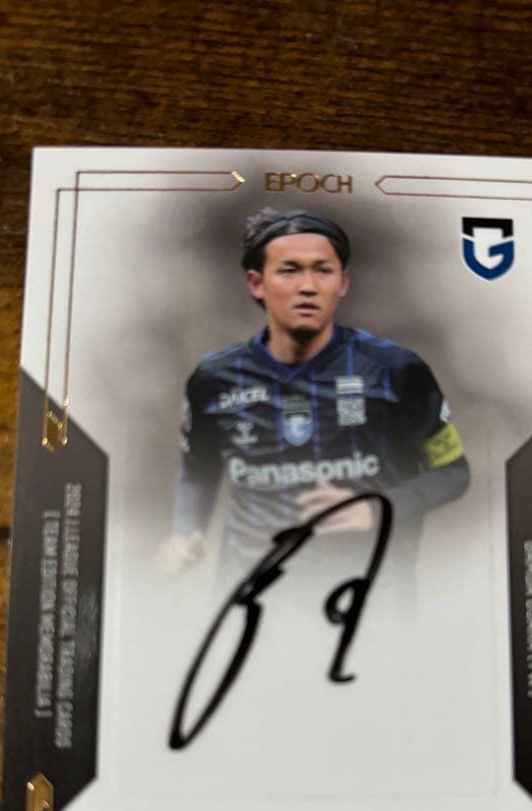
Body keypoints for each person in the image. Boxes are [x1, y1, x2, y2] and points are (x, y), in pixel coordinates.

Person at [161, 208, 469, 585]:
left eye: (323, 270)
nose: (307, 286)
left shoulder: (396, 370)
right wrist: (185, 532)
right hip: (250, 597)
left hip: (368, 597)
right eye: (289, 270)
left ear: (343, 282)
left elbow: (453, 473)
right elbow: (198, 469)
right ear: (257, 283)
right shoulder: (215, 379)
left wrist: (377, 509)